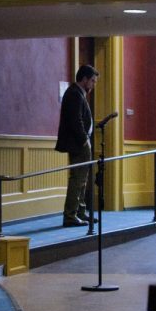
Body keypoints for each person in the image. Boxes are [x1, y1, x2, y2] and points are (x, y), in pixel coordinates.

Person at [56, 64, 99, 227]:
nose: (94, 85)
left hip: (80, 142)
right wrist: (84, 140)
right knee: (78, 180)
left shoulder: (77, 93)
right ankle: (71, 215)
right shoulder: (74, 94)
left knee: (82, 180)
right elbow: (76, 121)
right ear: (85, 79)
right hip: (78, 143)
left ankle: (80, 212)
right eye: (93, 81)